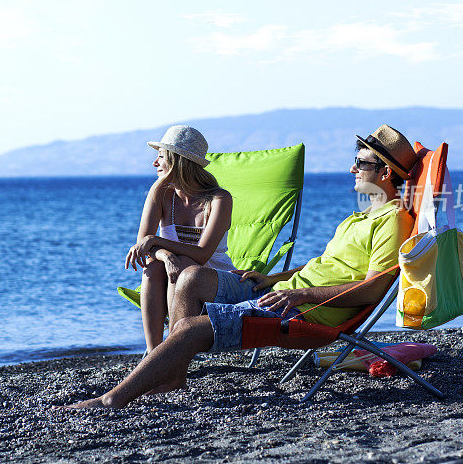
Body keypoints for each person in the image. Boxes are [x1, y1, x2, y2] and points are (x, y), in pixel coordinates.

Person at [69, 125, 416, 409]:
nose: (353, 169)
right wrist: (275, 278)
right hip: (282, 293)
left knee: (190, 328)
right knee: (190, 278)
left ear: (385, 173)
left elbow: (372, 289)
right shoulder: (359, 218)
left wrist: (301, 294)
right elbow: (321, 266)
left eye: (362, 164)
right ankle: (170, 370)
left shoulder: (392, 220)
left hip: (304, 313)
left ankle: (112, 398)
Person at [126, 125, 236, 353]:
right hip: (174, 275)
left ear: (177, 162)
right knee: (153, 266)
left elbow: (202, 254)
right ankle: (154, 354)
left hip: (213, 281)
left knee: (183, 265)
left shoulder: (219, 199)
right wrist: (165, 256)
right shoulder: (160, 194)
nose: (154, 164)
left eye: (160, 158)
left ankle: (172, 353)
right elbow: (143, 245)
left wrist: (160, 243)